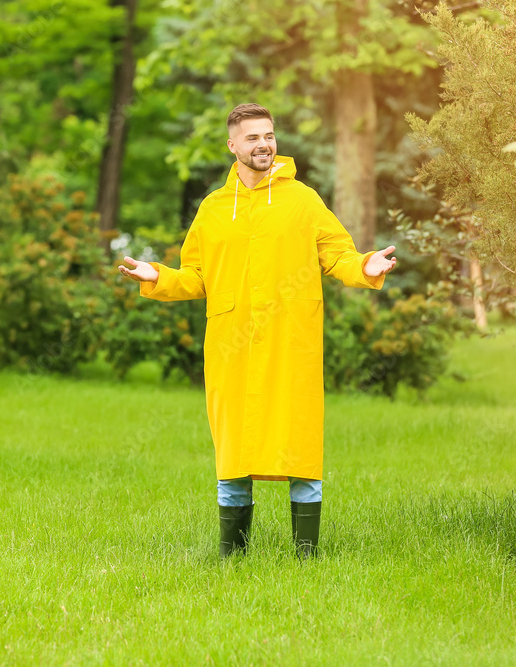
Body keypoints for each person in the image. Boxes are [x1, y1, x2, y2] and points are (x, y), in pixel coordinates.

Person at [118, 103, 396, 559]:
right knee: (234, 450)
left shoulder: (303, 200)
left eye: (269, 135)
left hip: (291, 343)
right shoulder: (212, 210)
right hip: (232, 348)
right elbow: (195, 277)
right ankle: (233, 556)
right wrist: (157, 276)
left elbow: (338, 256)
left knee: (299, 445)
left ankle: (306, 556)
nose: (264, 144)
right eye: (252, 138)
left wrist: (367, 264)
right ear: (232, 145)